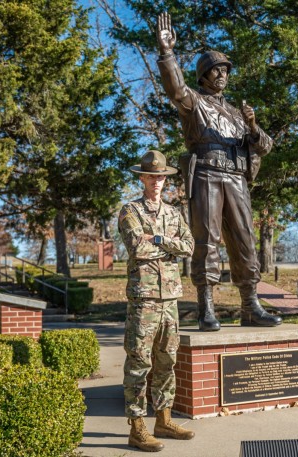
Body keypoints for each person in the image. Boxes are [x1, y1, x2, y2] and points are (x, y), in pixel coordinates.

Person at [155, 12, 282, 332]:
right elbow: (175, 89)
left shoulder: (239, 113)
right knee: (207, 240)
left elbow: (264, 146)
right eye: (216, 69)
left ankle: (250, 306)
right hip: (208, 174)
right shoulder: (194, 103)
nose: (223, 73)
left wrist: (252, 126)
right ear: (204, 75)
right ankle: (206, 307)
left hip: (237, 178)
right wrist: (167, 53)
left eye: (225, 69)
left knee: (245, 240)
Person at [118, 149, 195, 452]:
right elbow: (137, 248)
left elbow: (189, 246)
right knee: (139, 363)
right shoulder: (130, 211)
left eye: (161, 176)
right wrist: (168, 248)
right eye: (151, 176)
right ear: (143, 178)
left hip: (170, 300)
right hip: (144, 300)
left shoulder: (173, 213)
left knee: (167, 362)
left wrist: (160, 240)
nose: (156, 181)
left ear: (166, 179)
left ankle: (163, 420)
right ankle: (137, 429)